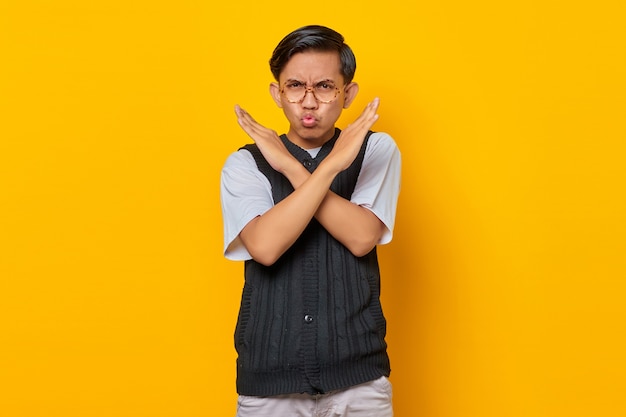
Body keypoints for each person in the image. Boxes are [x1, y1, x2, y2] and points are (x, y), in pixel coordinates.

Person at [220, 25, 401, 417]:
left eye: (323, 87)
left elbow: (361, 237)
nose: (308, 101)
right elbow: (266, 247)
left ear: (347, 93)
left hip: (359, 382)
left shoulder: (375, 149)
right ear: (277, 94)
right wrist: (325, 168)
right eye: (295, 86)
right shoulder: (245, 163)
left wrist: (293, 165)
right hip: (269, 383)